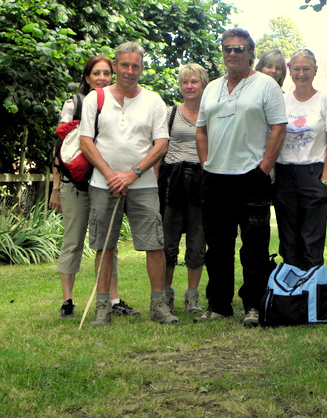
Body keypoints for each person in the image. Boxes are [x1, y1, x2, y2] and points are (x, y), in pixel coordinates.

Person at [79, 41, 177, 326]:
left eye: (136, 66)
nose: (130, 71)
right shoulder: (95, 99)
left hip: (143, 183)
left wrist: (131, 174)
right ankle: (102, 308)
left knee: (154, 245)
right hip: (103, 183)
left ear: (141, 68)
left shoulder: (154, 101)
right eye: (124, 65)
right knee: (104, 246)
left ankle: (159, 306)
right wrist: (111, 175)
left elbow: (161, 145)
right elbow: (86, 142)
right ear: (115, 65)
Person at [195, 28, 287, 327]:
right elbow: (201, 129)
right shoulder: (211, 88)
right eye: (227, 48)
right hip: (215, 178)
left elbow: (278, 128)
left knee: (255, 248)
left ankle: (254, 306)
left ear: (251, 53)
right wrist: (206, 163)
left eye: (238, 49)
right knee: (217, 247)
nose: (232, 54)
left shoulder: (266, 86)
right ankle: (219, 305)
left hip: (251, 177)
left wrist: (263, 168)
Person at [49, 55, 138, 320]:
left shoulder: (118, 102)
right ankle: (68, 301)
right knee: (73, 240)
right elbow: (59, 148)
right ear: (87, 77)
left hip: (105, 182)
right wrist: (55, 189)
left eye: (107, 73)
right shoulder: (74, 104)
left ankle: (113, 299)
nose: (102, 78)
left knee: (109, 244)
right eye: (96, 73)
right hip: (75, 185)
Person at [272, 48, 327, 270]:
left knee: (311, 238)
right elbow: (273, 137)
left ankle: (312, 292)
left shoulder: (325, 100)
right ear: (289, 71)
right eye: (297, 69)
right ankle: (292, 297)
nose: (301, 74)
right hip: (285, 173)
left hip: (314, 173)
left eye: (306, 69)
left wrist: (325, 177)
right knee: (289, 239)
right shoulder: (281, 102)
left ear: (315, 71)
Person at [160, 63, 208, 314]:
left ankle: (192, 298)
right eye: (184, 82)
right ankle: (166, 295)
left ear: (203, 84)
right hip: (174, 181)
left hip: (201, 180)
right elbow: (159, 149)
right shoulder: (170, 114)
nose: (189, 86)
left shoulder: (211, 113)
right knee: (168, 242)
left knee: (197, 242)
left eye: (194, 82)